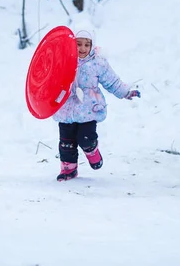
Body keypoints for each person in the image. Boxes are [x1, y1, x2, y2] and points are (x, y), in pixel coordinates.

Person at [52, 29, 140, 182]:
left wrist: (125, 92)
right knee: (66, 143)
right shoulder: (64, 61)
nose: (82, 48)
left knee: (86, 138)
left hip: (88, 109)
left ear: (92, 46)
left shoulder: (98, 63)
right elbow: (50, 80)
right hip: (66, 110)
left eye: (87, 44)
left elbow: (112, 81)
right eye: (78, 44)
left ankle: (91, 150)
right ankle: (69, 170)